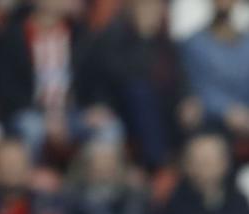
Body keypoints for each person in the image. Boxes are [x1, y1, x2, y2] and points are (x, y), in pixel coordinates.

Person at [0, 0, 120, 163]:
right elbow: (7, 89)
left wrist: (97, 105)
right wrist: (46, 117)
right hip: (31, 112)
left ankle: (101, 186)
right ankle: (29, 183)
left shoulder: (79, 35)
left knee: (109, 127)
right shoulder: (15, 35)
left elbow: (96, 76)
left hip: (73, 113)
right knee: (32, 129)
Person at [82, 0, 202, 172]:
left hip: (163, 108)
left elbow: (181, 79)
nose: (151, 12)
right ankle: (158, 163)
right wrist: (142, 37)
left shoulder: (165, 43)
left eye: (156, 7)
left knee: (195, 113)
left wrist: (187, 99)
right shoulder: (114, 36)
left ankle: (187, 168)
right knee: (141, 92)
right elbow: (118, 77)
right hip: (120, 107)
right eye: (146, 6)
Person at [179, 0, 249, 164]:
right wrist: (227, 111)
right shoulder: (195, 44)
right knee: (215, 140)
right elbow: (199, 88)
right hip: (216, 117)